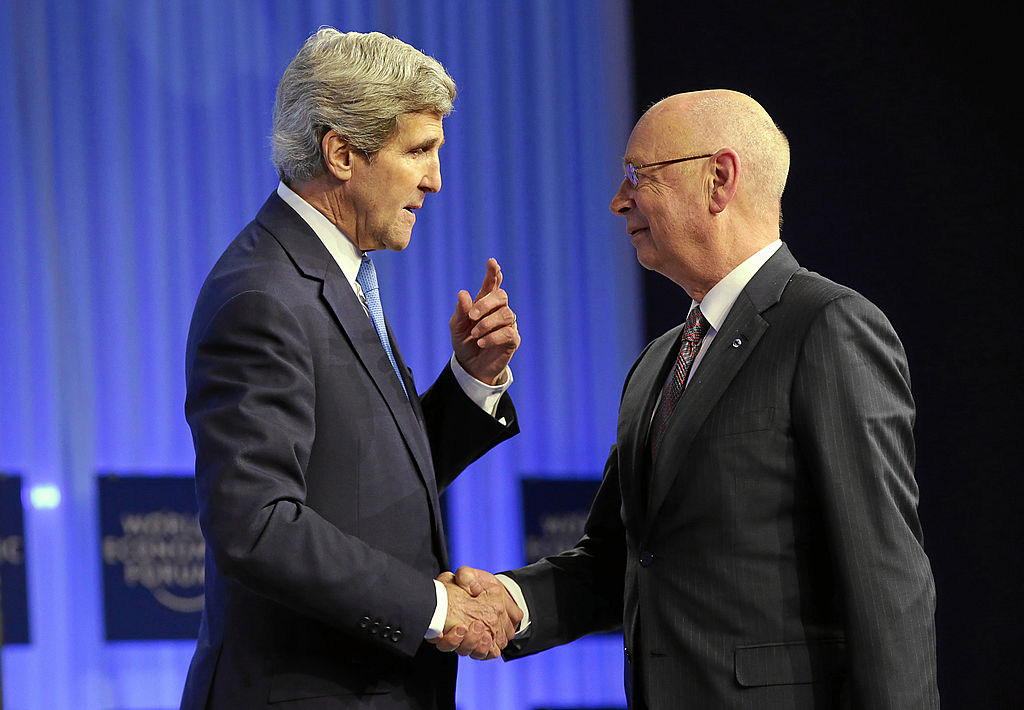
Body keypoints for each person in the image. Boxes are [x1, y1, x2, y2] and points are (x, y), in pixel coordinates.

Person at [439, 90, 939, 708]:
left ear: (719, 179)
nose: (618, 200)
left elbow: (886, 580)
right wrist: (512, 604)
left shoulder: (827, 327)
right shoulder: (657, 362)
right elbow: (619, 559)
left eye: (638, 177)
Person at [180, 28, 522, 710]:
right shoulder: (262, 293)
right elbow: (257, 524)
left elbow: (367, 484)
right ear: (341, 152)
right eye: (418, 151)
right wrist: (435, 608)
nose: (435, 179)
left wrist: (470, 381)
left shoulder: (337, 273)